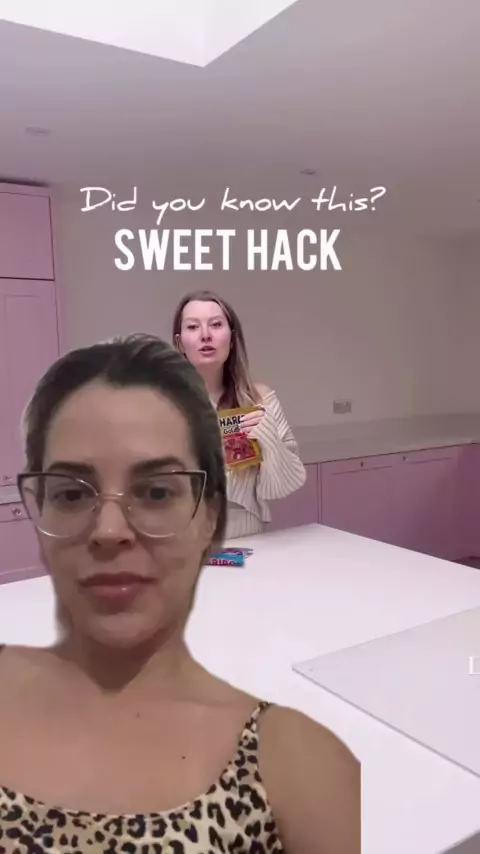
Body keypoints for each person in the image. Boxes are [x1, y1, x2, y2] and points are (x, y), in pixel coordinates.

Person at [0, 334, 360, 853]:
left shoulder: (293, 766)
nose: (108, 531)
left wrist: (266, 438)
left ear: (208, 514)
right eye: (72, 493)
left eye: (156, 491)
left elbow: (283, 483)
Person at [172, 291, 307, 538]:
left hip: (249, 538)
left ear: (232, 339)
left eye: (216, 324)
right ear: (180, 343)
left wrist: (267, 438)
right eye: (193, 326)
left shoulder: (260, 400)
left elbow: (285, 486)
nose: (205, 335)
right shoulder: (159, 406)